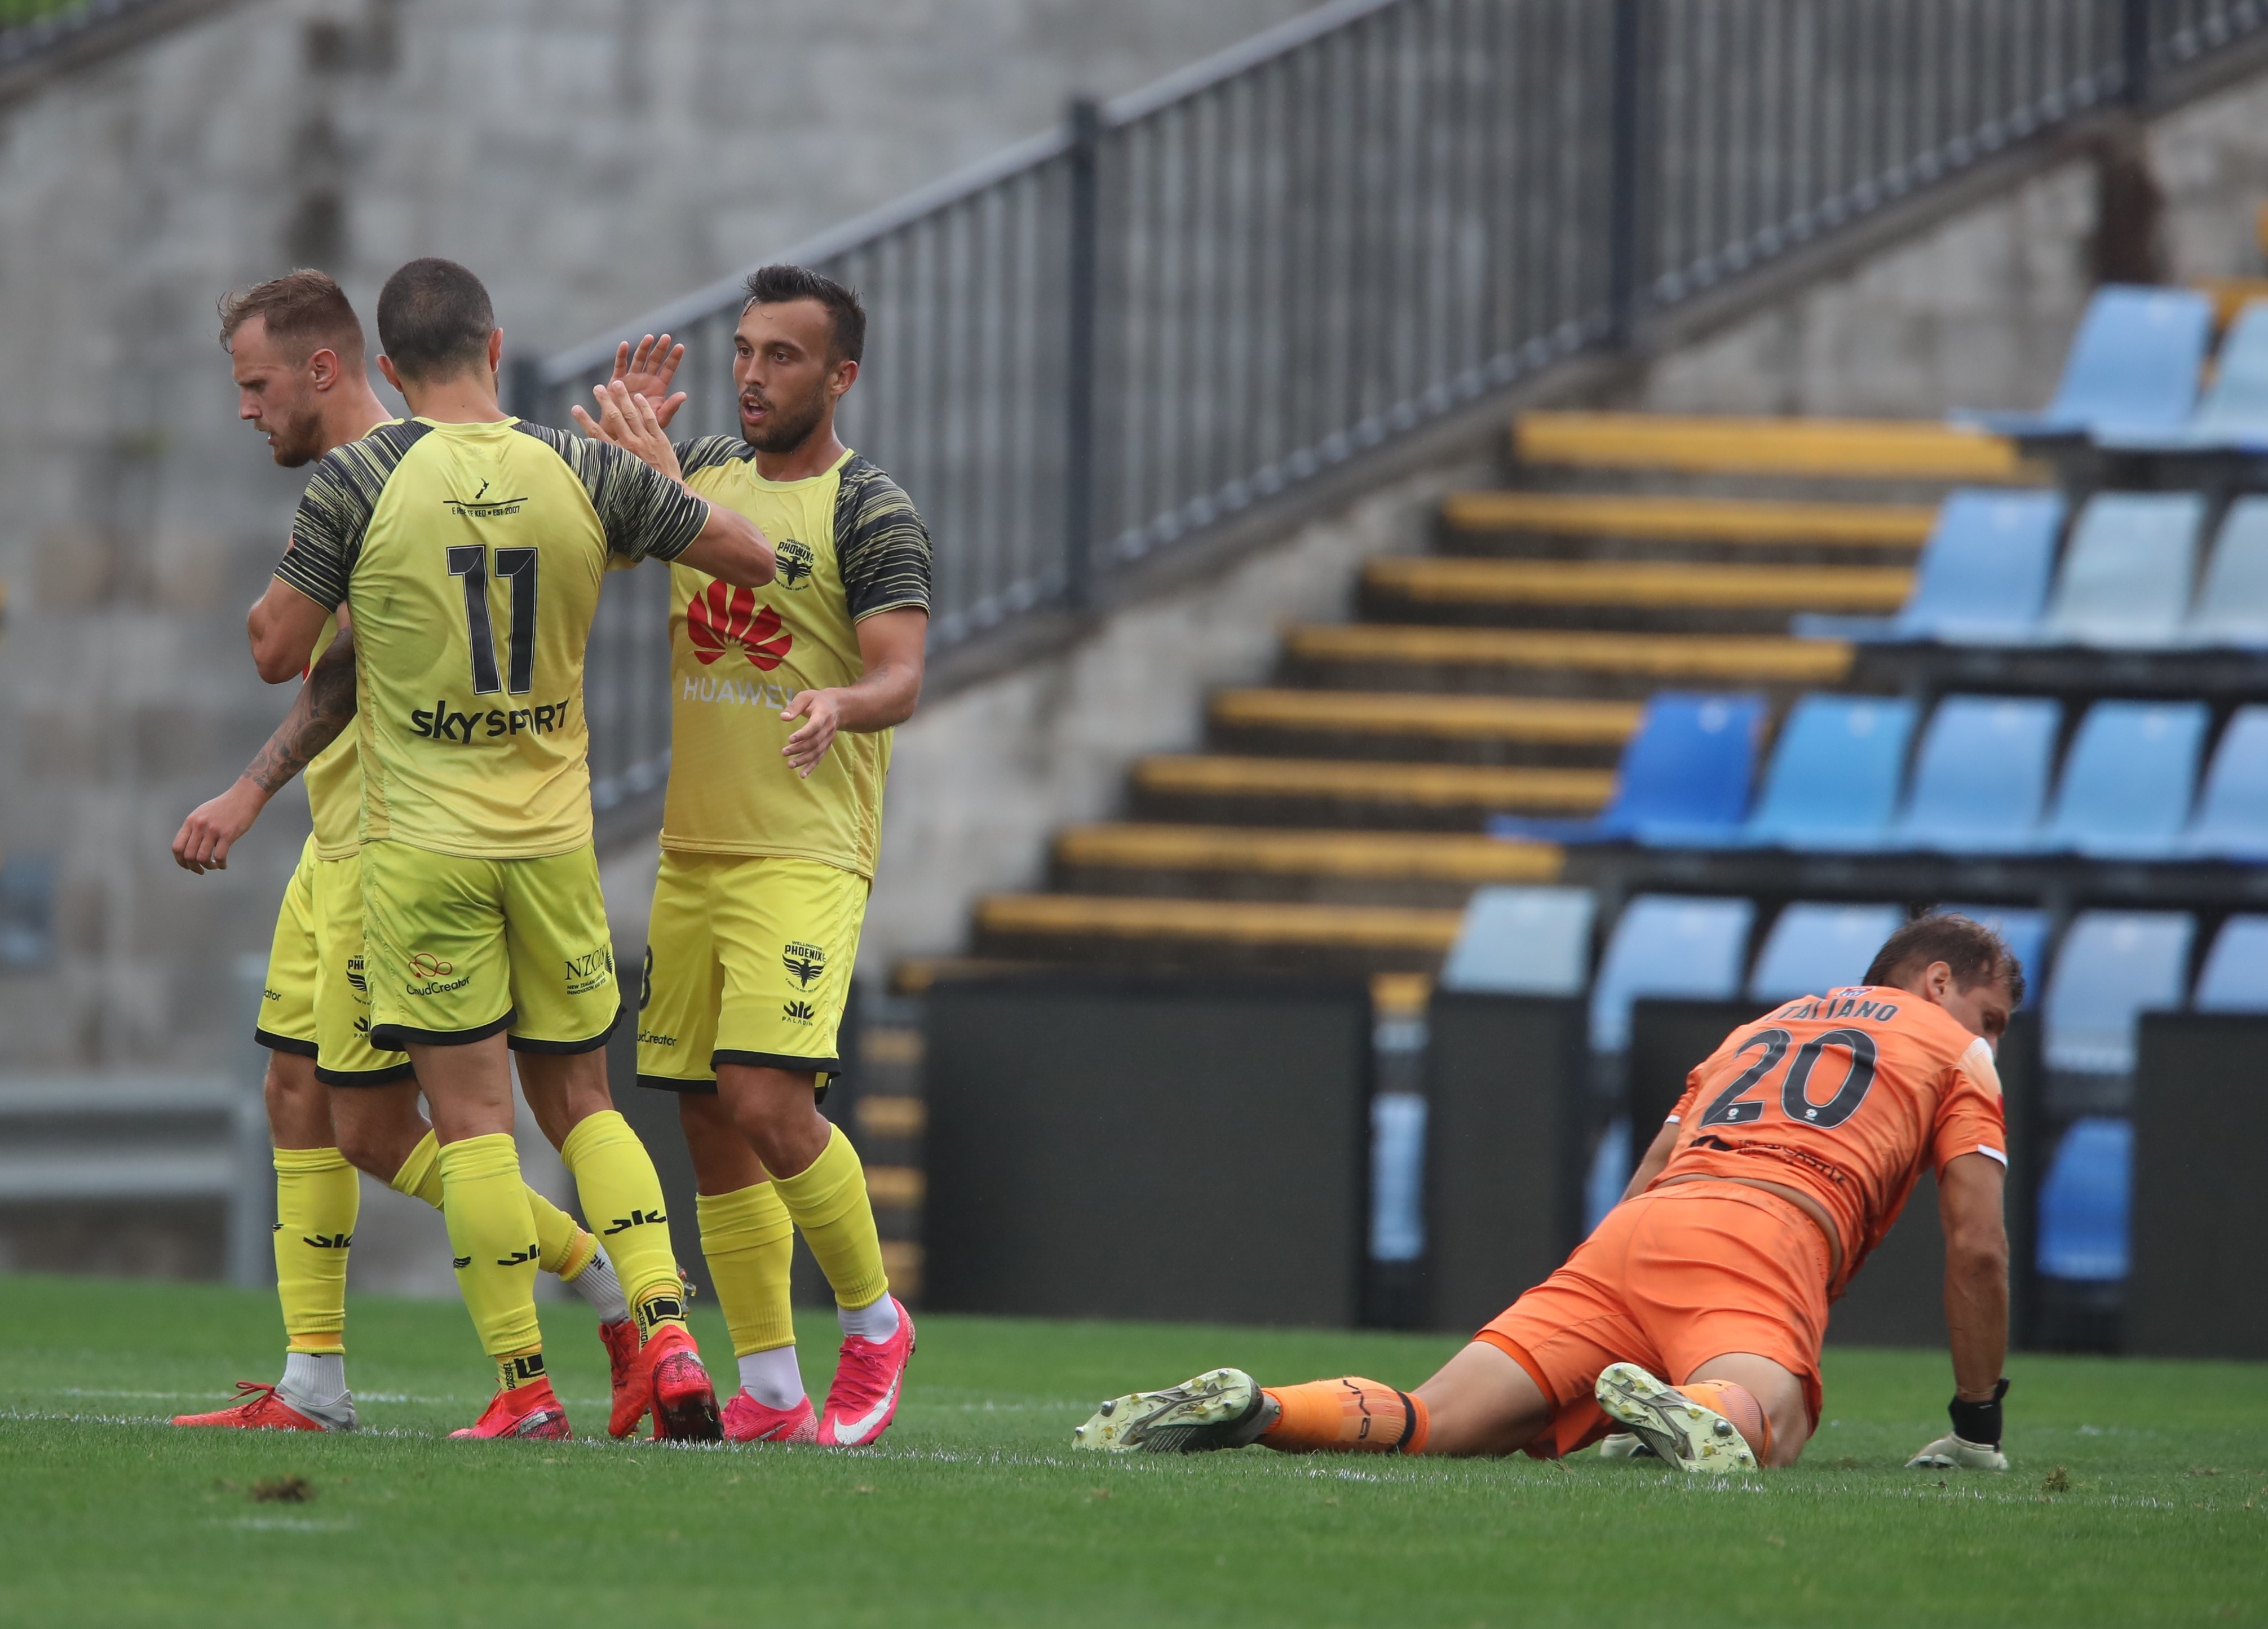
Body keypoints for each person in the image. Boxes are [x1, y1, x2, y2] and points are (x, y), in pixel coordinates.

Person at [242, 256, 775, 1440]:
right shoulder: (579, 466)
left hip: (424, 848)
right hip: (553, 844)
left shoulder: (361, 477)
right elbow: (750, 557)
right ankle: (668, 1328)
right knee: (586, 1102)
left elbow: (276, 649)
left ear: (387, 369)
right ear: (496, 346)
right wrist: (656, 474)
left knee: (475, 1124)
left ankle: (526, 1388)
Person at [168, 272, 642, 1435]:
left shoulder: (390, 483)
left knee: (394, 1128)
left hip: (396, 852)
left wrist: (248, 788)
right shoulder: (362, 482)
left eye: (256, 384)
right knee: (300, 1096)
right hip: (338, 843)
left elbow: (313, 671)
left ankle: (598, 1287)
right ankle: (314, 1379)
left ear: (327, 369)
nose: (245, 408)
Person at [1073, 913, 2019, 1473]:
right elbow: (1976, 1244)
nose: (1991, 1037)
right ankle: (1692, 1410)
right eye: (1991, 1015)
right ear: (1939, 980)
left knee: (1434, 1420)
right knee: (1778, 1416)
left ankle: (1261, 1406)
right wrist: (1977, 1422)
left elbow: (1653, 1166)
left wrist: (1613, 1301)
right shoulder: (1959, 1052)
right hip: (1764, 1233)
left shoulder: (1761, 1027)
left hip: (1635, 1233)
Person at [571, 265, 926, 1446]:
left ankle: (874, 1319)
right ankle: (771, 1390)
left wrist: (840, 701)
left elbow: (900, 676)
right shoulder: (705, 473)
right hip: (694, 852)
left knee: (770, 1099)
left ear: (841, 376)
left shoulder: (870, 508)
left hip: (803, 850)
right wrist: (616, 469)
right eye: (744, 350)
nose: (753, 375)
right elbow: (604, 548)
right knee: (709, 1118)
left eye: (783, 355)